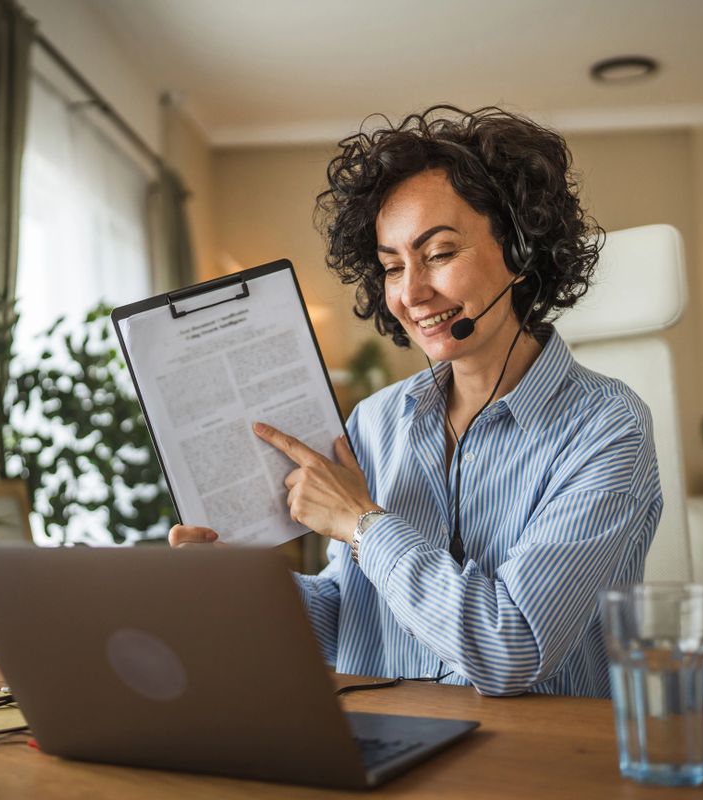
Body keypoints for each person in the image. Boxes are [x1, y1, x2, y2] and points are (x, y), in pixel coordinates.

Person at [169, 106, 662, 698]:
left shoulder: (608, 428)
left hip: (534, 765)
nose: (411, 293)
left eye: (439, 254)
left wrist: (362, 522)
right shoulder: (376, 421)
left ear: (522, 250)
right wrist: (237, 584)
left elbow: (514, 651)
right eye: (392, 266)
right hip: (388, 747)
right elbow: (351, 617)